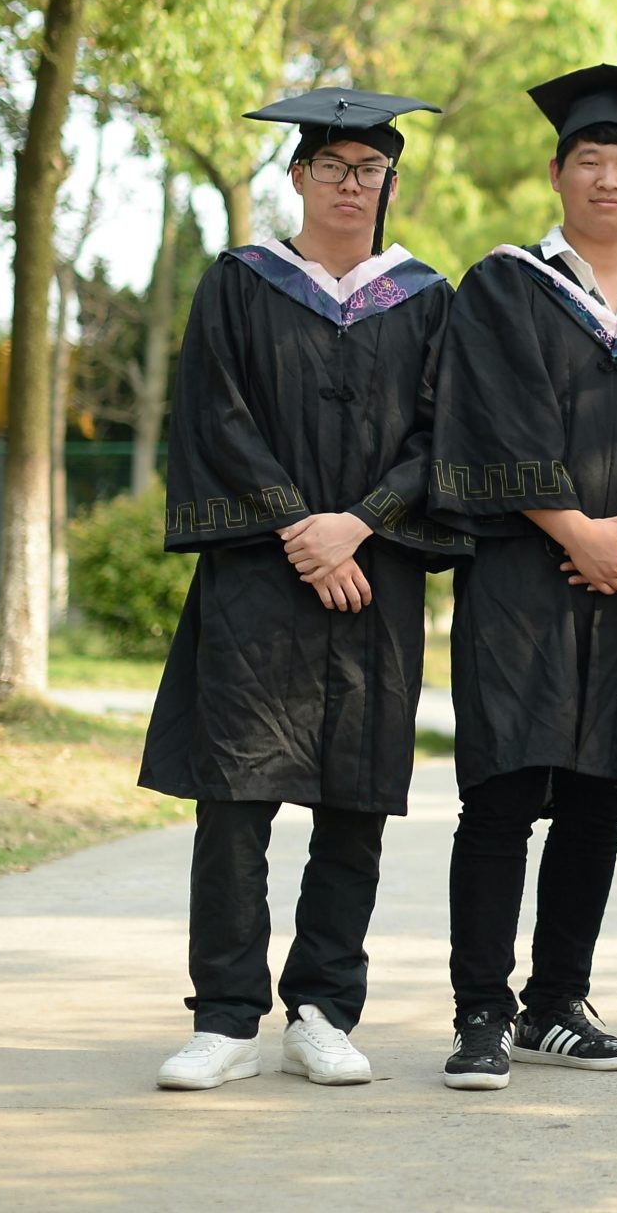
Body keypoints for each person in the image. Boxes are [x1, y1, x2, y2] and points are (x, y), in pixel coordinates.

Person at [143, 86, 467, 1092]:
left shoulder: (425, 298)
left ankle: (322, 1010)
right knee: (233, 800)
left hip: (374, 575)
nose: (351, 185)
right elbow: (215, 416)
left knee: (355, 800)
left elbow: (441, 432)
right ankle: (227, 1017)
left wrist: (357, 526)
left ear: (390, 183)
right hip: (257, 570)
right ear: (296, 177)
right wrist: (298, 527)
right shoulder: (238, 284)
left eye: (369, 170)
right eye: (333, 168)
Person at [426, 64, 617, 1092]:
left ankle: (558, 1002)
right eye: (592, 160)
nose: (610, 179)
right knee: (504, 793)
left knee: (600, 796)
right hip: (522, 575)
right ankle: (481, 1010)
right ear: (557, 171)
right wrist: (573, 529)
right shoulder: (505, 285)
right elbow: (487, 416)